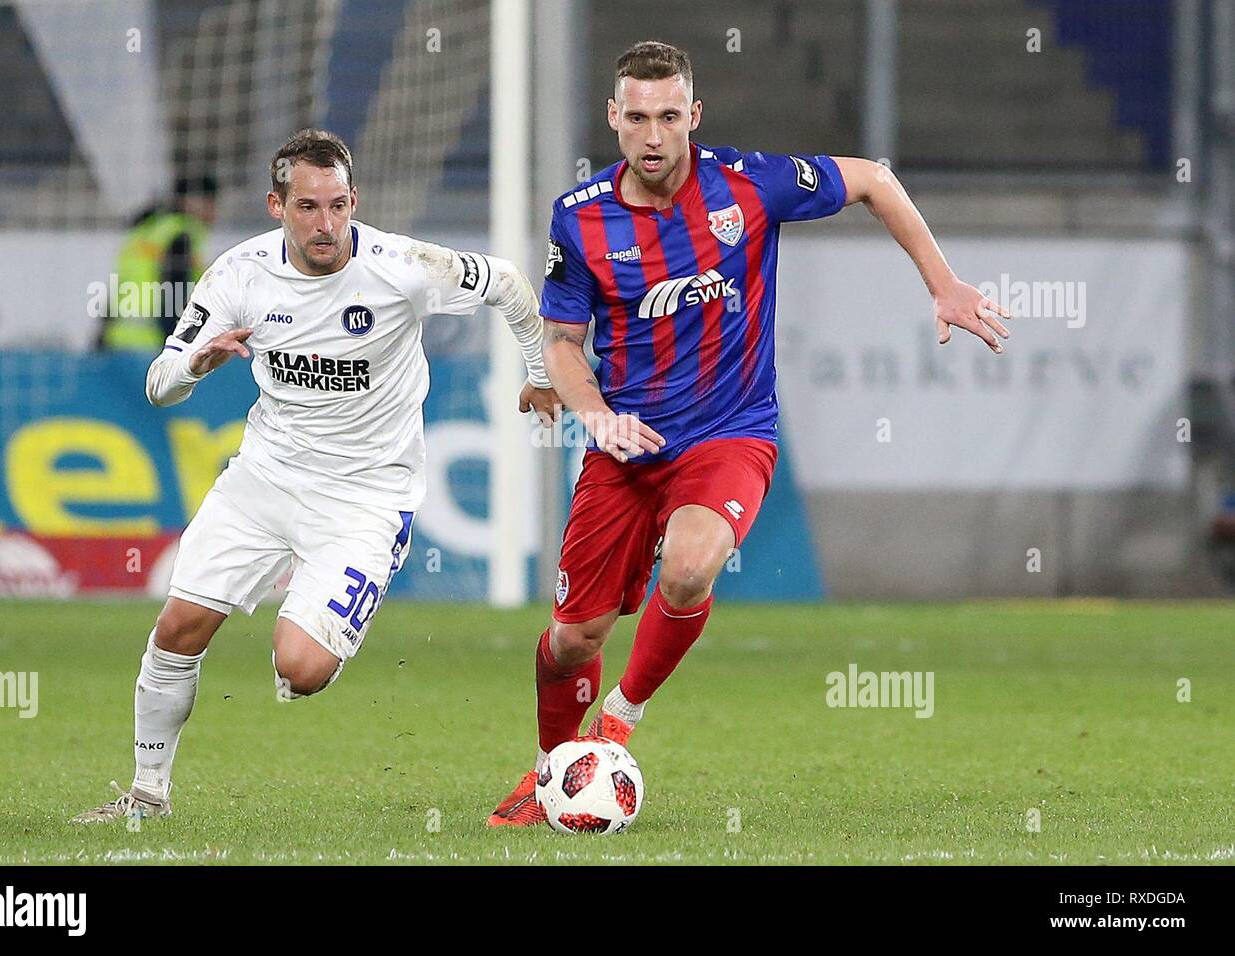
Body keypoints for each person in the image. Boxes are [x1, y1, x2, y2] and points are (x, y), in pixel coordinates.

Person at [488, 41, 1011, 826]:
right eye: (638, 118)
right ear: (613, 118)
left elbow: (874, 178)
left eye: (670, 116)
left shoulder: (747, 184)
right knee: (572, 638)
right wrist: (595, 414)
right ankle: (549, 772)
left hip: (730, 433)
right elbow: (563, 342)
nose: (654, 135)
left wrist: (943, 285)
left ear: (693, 117)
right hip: (624, 446)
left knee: (693, 564)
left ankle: (617, 724)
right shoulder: (580, 215)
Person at [73, 128, 560, 822]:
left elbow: (509, 283)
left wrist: (540, 376)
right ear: (277, 205)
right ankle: (148, 794)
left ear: (354, 200)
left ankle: (321, 597)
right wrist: (195, 364)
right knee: (178, 628)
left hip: (367, 495)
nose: (326, 224)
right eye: (307, 207)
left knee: (299, 671)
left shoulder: (403, 265)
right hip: (266, 477)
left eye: (338, 206)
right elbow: (158, 383)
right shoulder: (238, 276)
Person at [100, 174, 219, 350]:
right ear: (192, 202)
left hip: (118, 338)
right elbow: (173, 290)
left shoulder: (145, 230)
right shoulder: (180, 234)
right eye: (211, 203)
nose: (214, 212)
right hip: (153, 342)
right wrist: (175, 344)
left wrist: (101, 337)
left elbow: (117, 287)